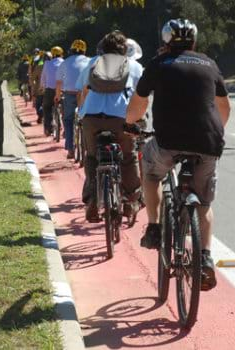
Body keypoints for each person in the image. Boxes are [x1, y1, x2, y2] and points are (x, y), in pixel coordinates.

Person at [126, 19, 232, 291]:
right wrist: (213, 134)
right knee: (205, 204)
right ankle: (205, 258)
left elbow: (139, 104)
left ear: (166, 41)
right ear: (194, 41)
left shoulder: (158, 64)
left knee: (150, 173)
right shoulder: (209, 64)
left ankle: (153, 226)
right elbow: (224, 107)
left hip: (167, 142)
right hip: (208, 142)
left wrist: (129, 123)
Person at [77, 31, 144, 223]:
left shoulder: (92, 62)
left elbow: (80, 89)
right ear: (124, 48)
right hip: (120, 118)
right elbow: (142, 95)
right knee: (128, 158)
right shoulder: (134, 65)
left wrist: (82, 113)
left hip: (92, 117)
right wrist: (136, 120)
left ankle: (91, 200)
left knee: (91, 157)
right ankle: (130, 202)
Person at [55, 40, 90, 159]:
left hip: (69, 94)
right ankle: (88, 148)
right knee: (87, 120)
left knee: (68, 120)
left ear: (71, 50)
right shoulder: (89, 61)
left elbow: (59, 81)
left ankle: (70, 150)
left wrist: (57, 96)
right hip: (85, 94)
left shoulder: (65, 62)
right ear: (84, 50)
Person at [41, 46, 65, 136]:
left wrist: (42, 87)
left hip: (50, 90)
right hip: (62, 90)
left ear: (53, 55)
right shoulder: (64, 63)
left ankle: (48, 128)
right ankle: (66, 129)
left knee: (46, 108)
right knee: (65, 109)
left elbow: (43, 77)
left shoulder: (47, 63)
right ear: (61, 54)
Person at [29, 50, 47, 124]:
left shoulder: (38, 66)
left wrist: (33, 87)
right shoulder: (57, 65)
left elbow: (32, 77)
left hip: (40, 89)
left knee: (38, 104)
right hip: (52, 89)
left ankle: (40, 115)